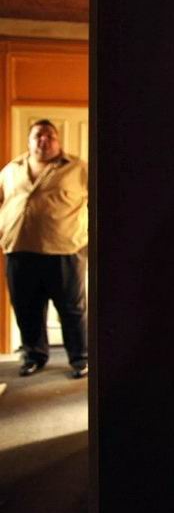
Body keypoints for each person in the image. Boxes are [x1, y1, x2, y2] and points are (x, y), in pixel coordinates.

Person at [0, 119, 88, 379]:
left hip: (63, 251)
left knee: (71, 310)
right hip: (19, 250)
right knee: (26, 308)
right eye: (38, 135)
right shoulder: (11, 170)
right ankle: (34, 356)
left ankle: (81, 358)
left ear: (58, 141)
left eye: (50, 135)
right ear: (29, 141)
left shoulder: (78, 169)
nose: (44, 140)